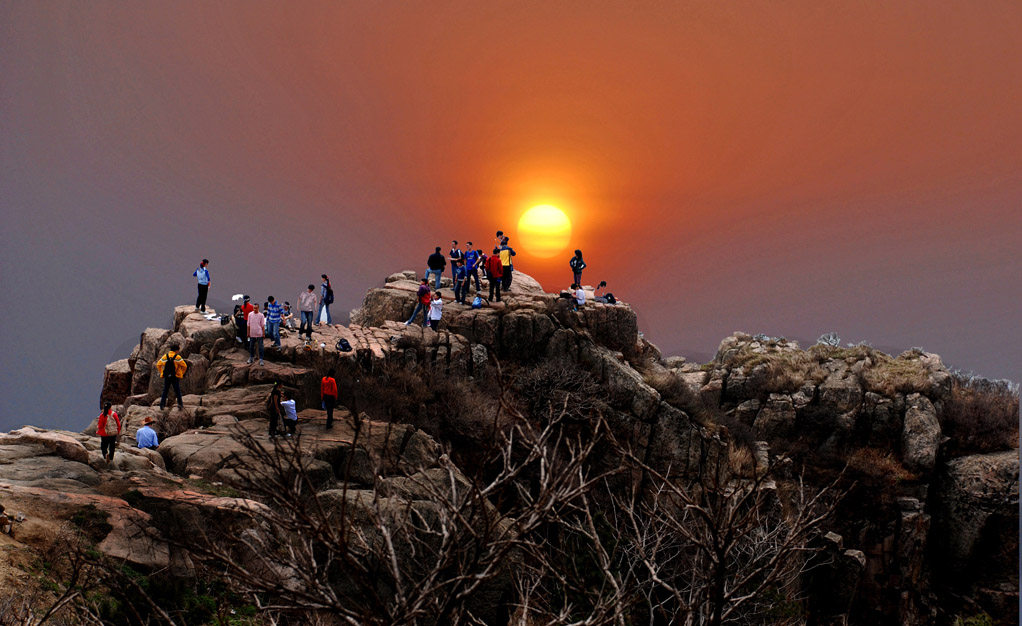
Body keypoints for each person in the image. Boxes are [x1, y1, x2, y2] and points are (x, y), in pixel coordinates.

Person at [157, 345, 187, 409]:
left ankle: (162, 405)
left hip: (167, 376)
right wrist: (181, 373)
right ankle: (180, 405)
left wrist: (162, 372)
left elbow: (158, 364)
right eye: (178, 350)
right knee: (177, 391)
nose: (179, 351)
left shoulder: (165, 356)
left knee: (165, 390)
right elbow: (185, 366)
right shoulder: (177, 357)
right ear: (176, 350)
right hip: (175, 376)